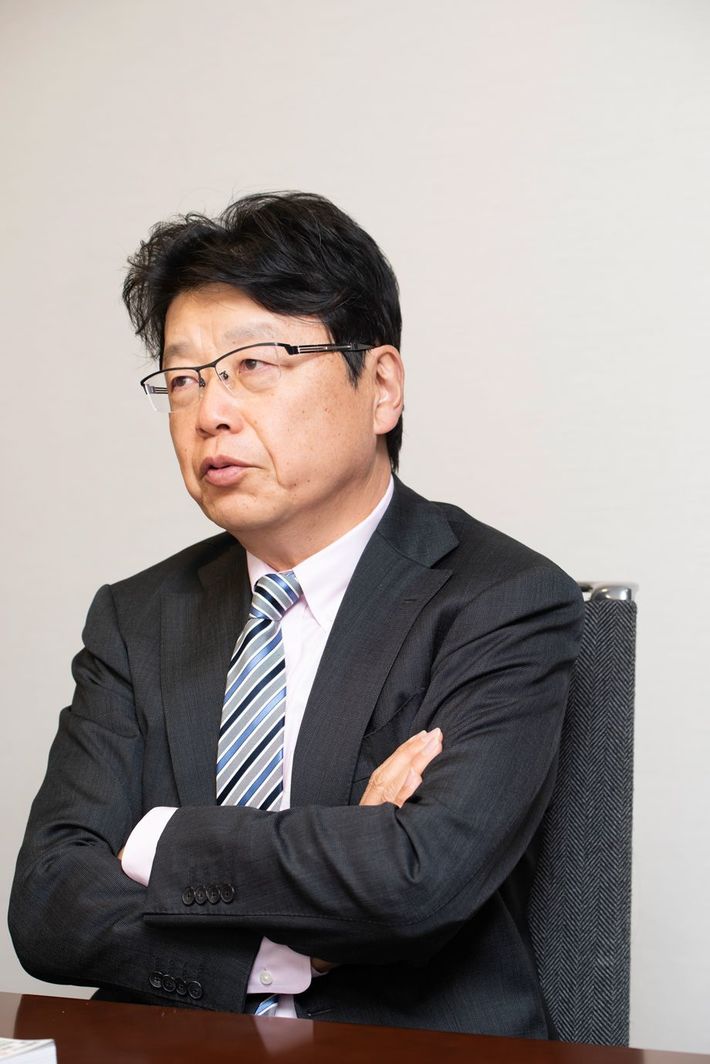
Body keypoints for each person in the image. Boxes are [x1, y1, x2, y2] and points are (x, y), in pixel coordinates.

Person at [9, 191, 584, 1037]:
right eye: (183, 380)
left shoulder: (502, 598)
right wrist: (289, 948)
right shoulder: (138, 617)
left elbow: (416, 880)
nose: (211, 413)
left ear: (380, 386)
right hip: (177, 1046)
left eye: (254, 365)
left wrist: (161, 840)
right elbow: (49, 903)